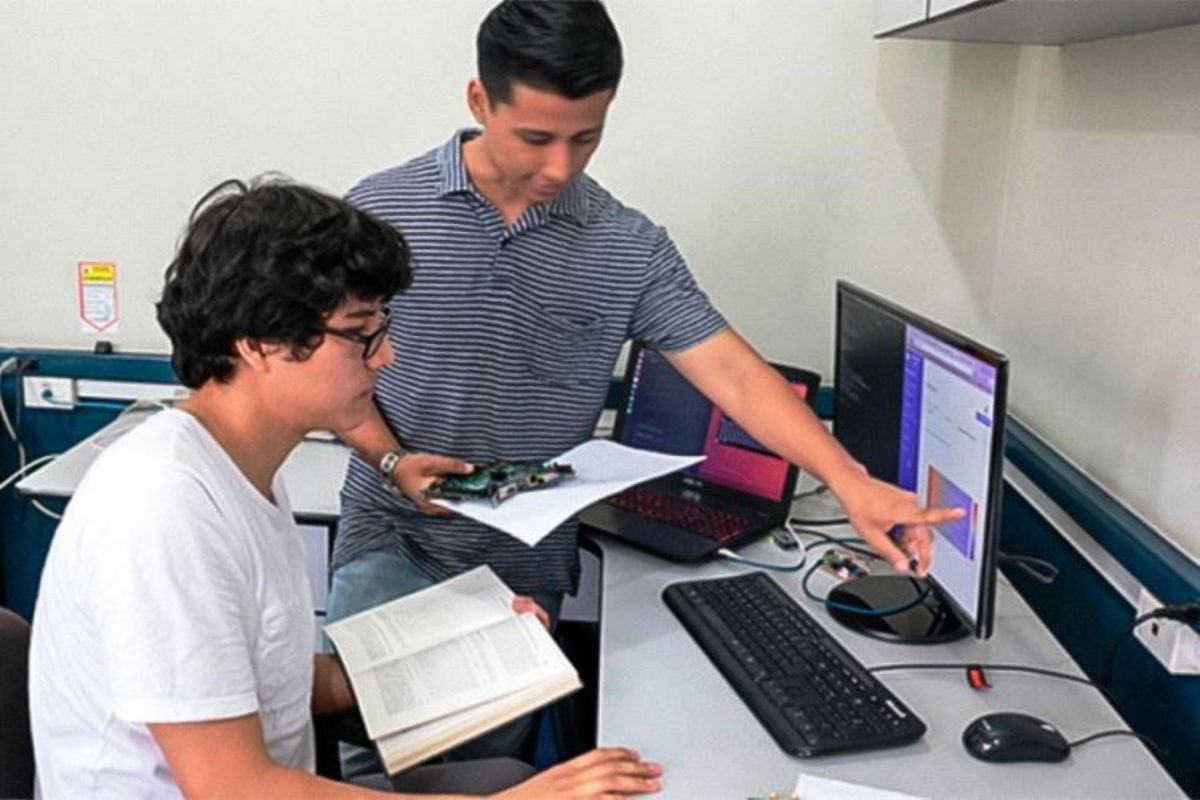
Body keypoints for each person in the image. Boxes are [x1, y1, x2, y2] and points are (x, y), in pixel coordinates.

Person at [330, 0, 963, 759]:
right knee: (374, 761)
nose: (560, 168)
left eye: (585, 137)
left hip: (524, 568)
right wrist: (391, 459)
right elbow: (328, 370)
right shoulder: (380, 213)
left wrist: (846, 478)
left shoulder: (625, 245)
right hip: (395, 537)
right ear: (479, 101)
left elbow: (731, 372)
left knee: (484, 769)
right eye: (536, 138)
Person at [28, 178, 662, 798]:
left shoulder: (239, 469)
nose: (385, 356)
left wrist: (474, 655)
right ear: (259, 344)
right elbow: (234, 788)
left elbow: (269, 686)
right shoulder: (163, 506)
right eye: (362, 332)